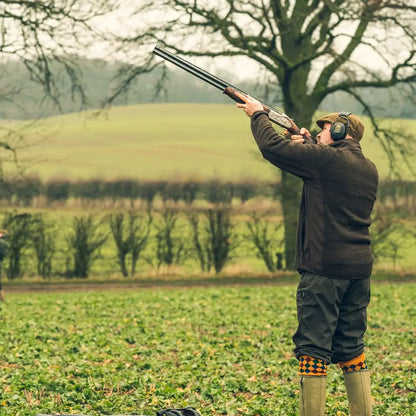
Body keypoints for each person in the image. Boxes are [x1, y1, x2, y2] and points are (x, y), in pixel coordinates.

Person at [236, 93, 378, 416]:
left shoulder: (324, 161)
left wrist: (258, 115)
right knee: (352, 349)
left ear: (341, 133)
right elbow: (323, 171)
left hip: (324, 272)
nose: (319, 133)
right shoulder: (369, 169)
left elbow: (272, 149)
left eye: (325, 128)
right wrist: (307, 143)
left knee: (313, 351)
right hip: (359, 273)